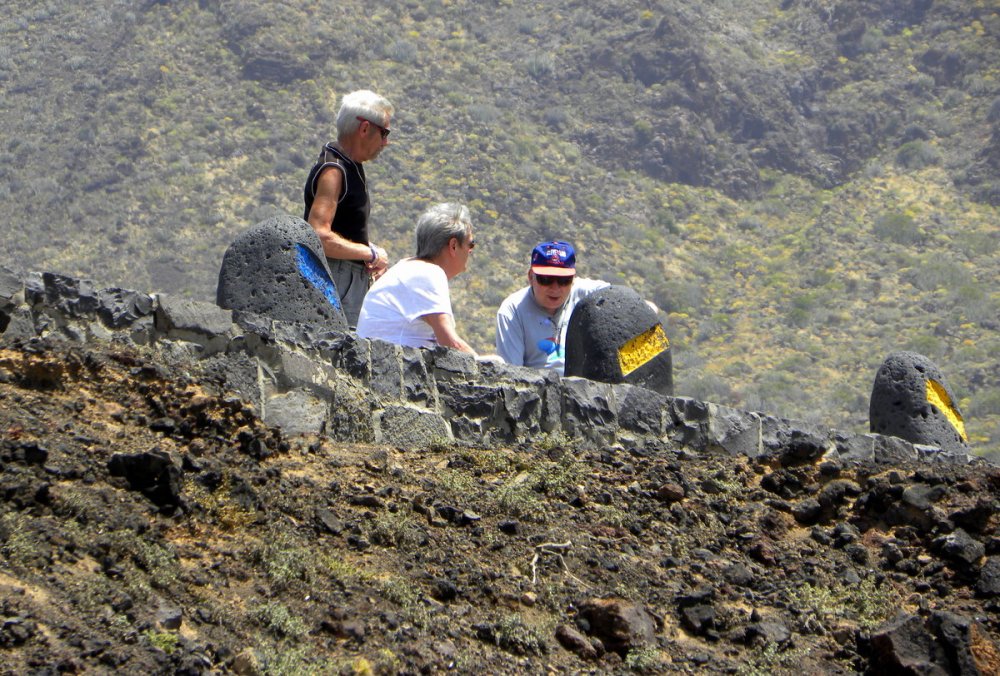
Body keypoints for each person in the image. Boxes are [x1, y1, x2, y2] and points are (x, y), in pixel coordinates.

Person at [303, 89, 394, 327]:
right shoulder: (334, 171)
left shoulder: (349, 166)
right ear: (364, 129)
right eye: (383, 133)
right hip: (338, 281)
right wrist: (370, 254)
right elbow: (319, 236)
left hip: (346, 279)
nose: (386, 142)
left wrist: (366, 249)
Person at [356, 203, 477, 355]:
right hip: (390, 368)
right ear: (453, 246)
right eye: (470, 244)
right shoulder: (427, 273)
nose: (471, 251)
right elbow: (450, 343)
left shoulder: (410, 268)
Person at [495, 240, 611, 374]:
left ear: (573, 279)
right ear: (531, 277)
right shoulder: (512, 311)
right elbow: (512, 374)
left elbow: (622, 300)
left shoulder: (586, 294)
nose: (555, 288)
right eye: (546, 279)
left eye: (564, 280)